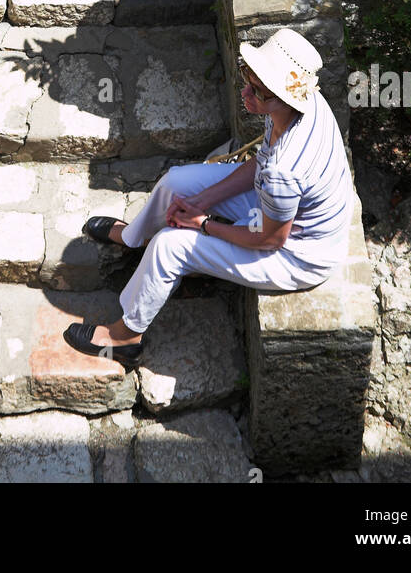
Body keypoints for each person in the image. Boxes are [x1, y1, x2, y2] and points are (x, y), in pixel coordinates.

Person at [63, 26, 353, 366]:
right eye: (248, 78)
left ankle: (125, 336)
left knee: (171, 246)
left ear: (282, 96)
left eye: (256, 91)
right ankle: (132, 238)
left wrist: (203, 224)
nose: (246, 93)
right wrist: (202, 200)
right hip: (278, 209)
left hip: (298, 251)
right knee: (177, 182)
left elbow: (270, 238)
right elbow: (262, 162)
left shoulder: (285, 170)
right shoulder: (297, 104)